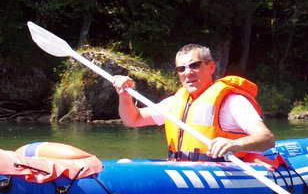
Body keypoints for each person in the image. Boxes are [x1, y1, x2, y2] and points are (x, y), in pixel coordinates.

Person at [112, 44, 275, 161]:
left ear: (211, 67)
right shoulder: (173, 103)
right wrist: (125, 96)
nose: (187, 73)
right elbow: (133, 119)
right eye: (181, 69)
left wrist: (235, 144)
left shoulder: (233, 102)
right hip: (181, 167)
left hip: (221, 170)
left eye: (194, 65)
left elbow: (266, 138)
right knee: (125, 162)